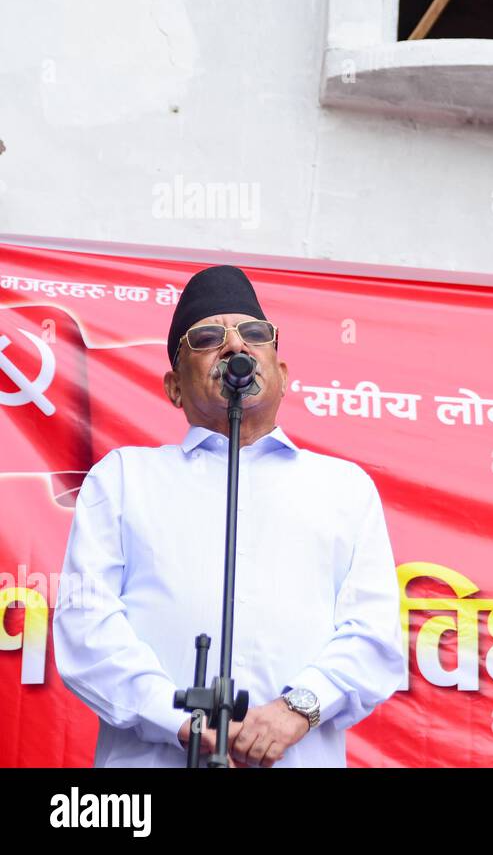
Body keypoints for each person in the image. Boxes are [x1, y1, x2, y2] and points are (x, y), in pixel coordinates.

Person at [52, 265, 405, 766]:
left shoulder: (344, 488)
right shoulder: (125, 477)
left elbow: (374, 636)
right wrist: (177, 722)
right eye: (208, 337)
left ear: (282, 376)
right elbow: (86, 625)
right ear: (175, 387)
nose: (235, 347)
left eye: (255, 335)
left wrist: (295, 709)